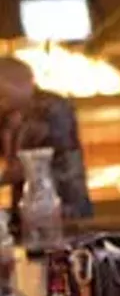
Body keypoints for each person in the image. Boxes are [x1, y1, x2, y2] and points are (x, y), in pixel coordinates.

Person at [0, 56, 92, 221]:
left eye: (2, 92)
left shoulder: (52, 108)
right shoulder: (10, 113)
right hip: (26, 208)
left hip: (63, 207)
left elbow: (34, 162)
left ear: (22, 85)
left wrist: (4, 177)